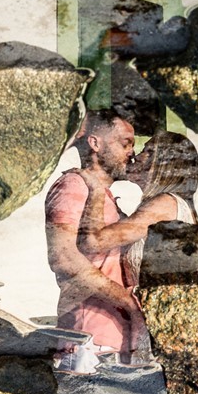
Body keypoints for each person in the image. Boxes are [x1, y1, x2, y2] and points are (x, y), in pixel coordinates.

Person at [78, 130, 198, 363]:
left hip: (159, 329)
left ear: (162, 164)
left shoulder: (165, 205)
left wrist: (95, 188)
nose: (135, 155)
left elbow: (94, 241)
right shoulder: (160, 207)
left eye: (147, 151)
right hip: (150, 324)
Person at [44, 109, 141, 369]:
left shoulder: (102, 194)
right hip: (88, 341)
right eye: (125, 143)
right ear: (95, 143)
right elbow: (63, 258)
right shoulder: (73, 185)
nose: (132, 152)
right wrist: (126, 301)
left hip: (109, 340)